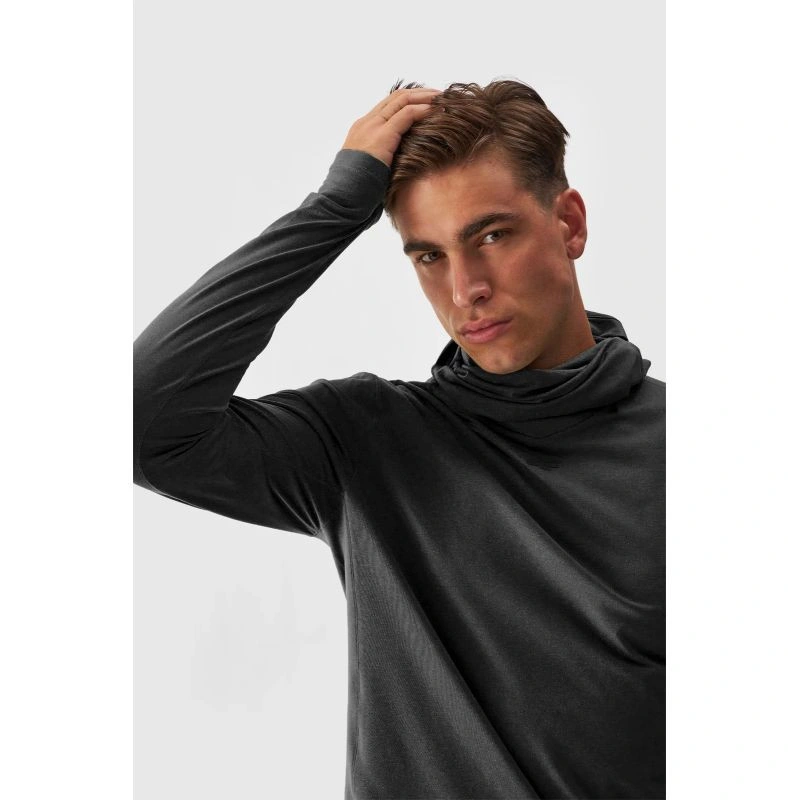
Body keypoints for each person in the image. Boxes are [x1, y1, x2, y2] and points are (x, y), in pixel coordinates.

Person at [133, 78, 665, 799]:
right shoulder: (368, 445)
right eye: (429, 256)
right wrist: (334, 209)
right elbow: (139, 423)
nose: (466, 288)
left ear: (568, 224)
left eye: (492, 235)